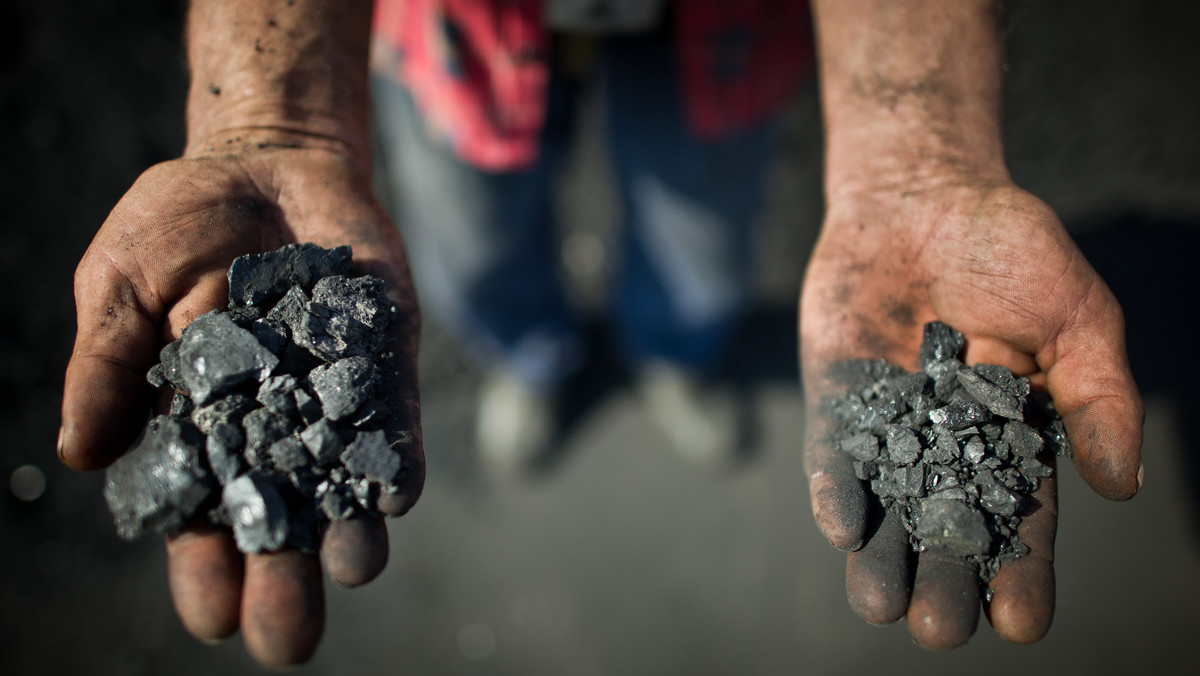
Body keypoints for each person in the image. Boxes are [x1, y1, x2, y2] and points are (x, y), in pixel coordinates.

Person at [57, 0, 1142, 667]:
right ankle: (537, 359)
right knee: (474, 252)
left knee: (698, 247)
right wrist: (268, 108)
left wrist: (929, 145)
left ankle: (672, 353)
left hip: (720, 28)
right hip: (460, 35)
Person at [369, 0, 810, 471]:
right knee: (477, 234)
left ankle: (676, 351)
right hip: (458, 18)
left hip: (714, 17)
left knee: (701, 235)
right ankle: (529, 355)